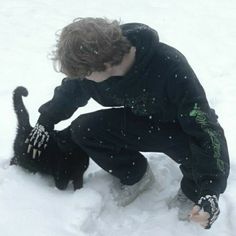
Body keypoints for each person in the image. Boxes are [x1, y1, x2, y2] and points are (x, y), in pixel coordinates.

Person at [26, 17, 230, 229]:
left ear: (104, 65)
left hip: (180, 130)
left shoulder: (170, 66)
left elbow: (205, 128)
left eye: (85, 74)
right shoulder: (94, 67)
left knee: (199, 156)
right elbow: (71, 90)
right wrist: (46, 121)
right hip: (141, 120)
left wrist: (210, 190)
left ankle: (193, 191)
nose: (82, 79)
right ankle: (136, 175)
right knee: (84, 129)